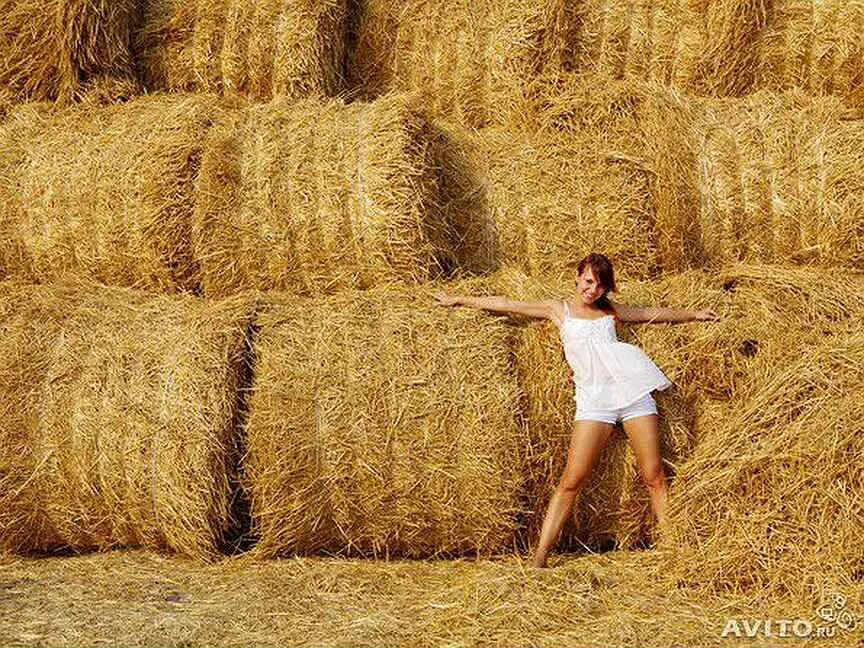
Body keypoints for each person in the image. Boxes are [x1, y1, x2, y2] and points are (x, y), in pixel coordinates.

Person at [433, 253, 718, 568]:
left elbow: (650, 312)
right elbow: (507, 303)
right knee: (572, 479)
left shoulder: (610, 311)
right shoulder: (560, 310)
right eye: (589, 281)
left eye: (599, 285)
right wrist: (458, 298)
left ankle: (677, 551)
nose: (593, 289)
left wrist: (694, 314)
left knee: (654, 476)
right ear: (578, 276)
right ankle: (539, 558)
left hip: (633, 394)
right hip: (594, 401)